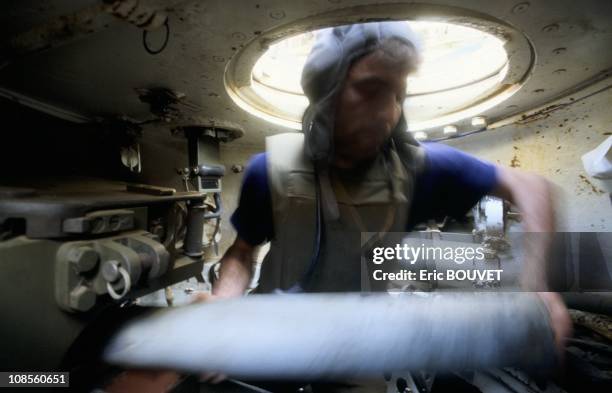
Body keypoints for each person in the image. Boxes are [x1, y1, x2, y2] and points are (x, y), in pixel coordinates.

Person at [207, 21, 571, 392]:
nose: (387, 113)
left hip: (356, 341)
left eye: (398, 95)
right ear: (326, 91)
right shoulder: (269, 169)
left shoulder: (420, 170)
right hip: (274, 328)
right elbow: (240, 253)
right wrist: (222, 304)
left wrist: (538, 289)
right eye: (370, 89)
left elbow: (533, 188)